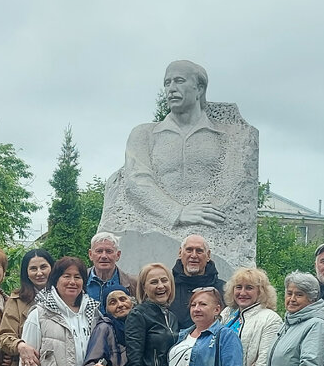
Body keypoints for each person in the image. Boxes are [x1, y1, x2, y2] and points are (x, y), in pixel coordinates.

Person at [101, 59, 258, 277]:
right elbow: (137, 181)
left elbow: (234, 185)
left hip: (213, 237)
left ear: (199, 88)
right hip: (150, 233)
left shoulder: (231, 135)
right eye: (167, 83)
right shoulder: (143, 134)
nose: (171, 88)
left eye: (179, 81)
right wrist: (177, 212)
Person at [169, 234, 226, 326]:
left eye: (199, 251)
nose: (194, 255)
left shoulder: (224, 290)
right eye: (189, 250)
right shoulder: (167, 288)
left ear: (208, 255)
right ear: (180, 253)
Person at [84, 232, 137, 302]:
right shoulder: (80, 279)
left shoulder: (133, 284)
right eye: (99, 251)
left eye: (109, 251)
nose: (104, 256)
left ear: (118, 255)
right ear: (90, 255)